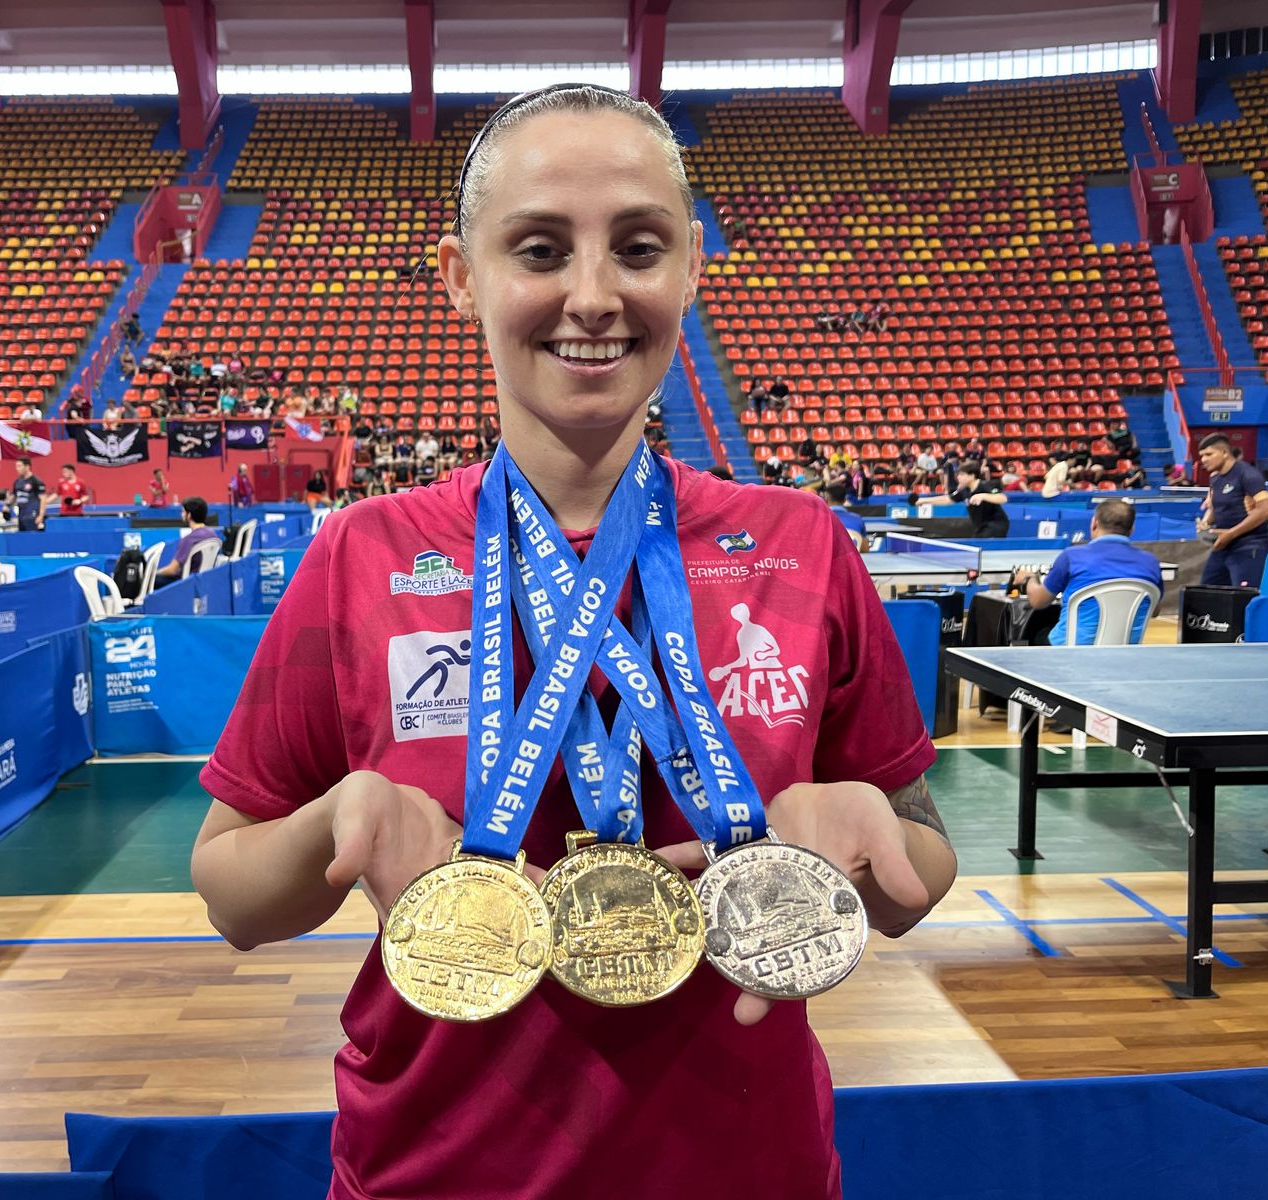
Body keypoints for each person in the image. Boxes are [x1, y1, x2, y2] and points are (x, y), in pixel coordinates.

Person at [190, 83, 953, 1200]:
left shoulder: (800, 544)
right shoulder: (360, 552)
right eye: (540, 247)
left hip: (748, 1164)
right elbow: (231, 894)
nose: (592, 297)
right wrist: (332, 825)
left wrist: (871, 832)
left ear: (689, 266)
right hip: (432, 1169)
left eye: (637, 248)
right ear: (462, 277)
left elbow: (917, 868)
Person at [1013, 500, 1163, 645]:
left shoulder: (1071, 556)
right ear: (1132, 529)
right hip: (1125, 650)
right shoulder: (1151, 562)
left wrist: (1029, 579)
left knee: (1037, 631)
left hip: (1070, 651)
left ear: (1094, 523)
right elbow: (1154, 610)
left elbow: (1038, 602)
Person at [1197, 433, 1268, 588]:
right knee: (1206, 592)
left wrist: (1231, 534)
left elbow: (1264, 510)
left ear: (1224, 453)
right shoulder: (1215, 478)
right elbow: (1215, 508)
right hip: (1223, 546)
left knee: (1241, 599)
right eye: (1202, 456)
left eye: (1208, 454)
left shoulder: (1248, 475)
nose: (1203, 460)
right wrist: (1205, 523)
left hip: (1249, 545)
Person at [154, 496, 220, 582]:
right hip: (205, 581)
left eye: (183, 512)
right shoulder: (213, 535)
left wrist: (155, 573)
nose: (181, 514)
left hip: (186, 583)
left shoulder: (189, 540)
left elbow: (172, 570)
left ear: (189, 515)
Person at [952, 460, 1010, 537]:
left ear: (972, 476)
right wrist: (930, 500)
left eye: (962, 474)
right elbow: (948, 499)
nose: (958, 477)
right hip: (981, 526)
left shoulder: (986, 485)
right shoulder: (965, 490)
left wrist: (982, 496)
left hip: (996, 525)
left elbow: (1003, 498)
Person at [823, 482, 866, 550]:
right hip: (852, 559)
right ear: (845, 500)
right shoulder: (858, 519)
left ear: (826, 499)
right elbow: (864, 548)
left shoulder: (820, 520)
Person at [10, 458, 47, 532]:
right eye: (16, 466)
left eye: (19, 466)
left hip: (33, 515)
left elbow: (43, 499)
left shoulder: (36, 480)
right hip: (21, 515)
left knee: (34, 539)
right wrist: (6, 506)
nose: (17, 469)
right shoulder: (17, 481)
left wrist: (41, 516)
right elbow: (14, 496)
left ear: (27, 467)